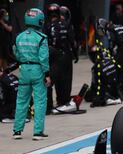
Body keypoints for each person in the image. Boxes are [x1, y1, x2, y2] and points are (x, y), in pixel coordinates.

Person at [13, 8, 51, 140]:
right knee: (40, 101)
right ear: (39, 21)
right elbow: (43, 58)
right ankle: (38, 132)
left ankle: (17, 131)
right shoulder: (41, 38)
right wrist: (47, 74)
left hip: (23, 70)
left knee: (22, 100)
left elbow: (17, 54)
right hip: (37, 70)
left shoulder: (19, 37)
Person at [44, 4, 78, 113]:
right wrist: (76, 55)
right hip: (66, 56)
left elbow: (45, 42)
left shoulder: (47, 26)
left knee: (49, 80)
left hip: (53, 56)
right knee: (66, 80)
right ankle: (64, 102)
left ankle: (48, 106)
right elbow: (72, 41)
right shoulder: (67, 24)